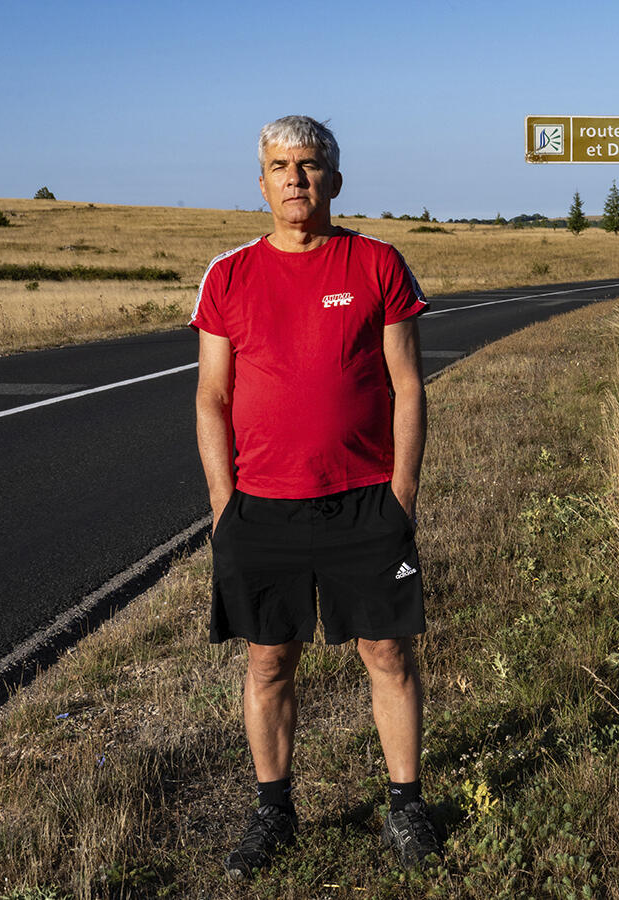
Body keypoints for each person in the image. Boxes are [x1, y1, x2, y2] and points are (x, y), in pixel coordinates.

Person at [190, 115, 441, 878]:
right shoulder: (228, 275)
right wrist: (223, 504)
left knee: (386, 651)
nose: (295, 177)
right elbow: (211, 396)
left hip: (365, 499)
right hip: (261, 505)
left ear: (334, 178)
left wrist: (400, 493)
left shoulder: (375, 263)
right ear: (259, 181)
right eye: (279, 165)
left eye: (309, 164)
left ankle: (406, 806)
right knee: (268, 660)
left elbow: (406, 386)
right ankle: (274, 811)